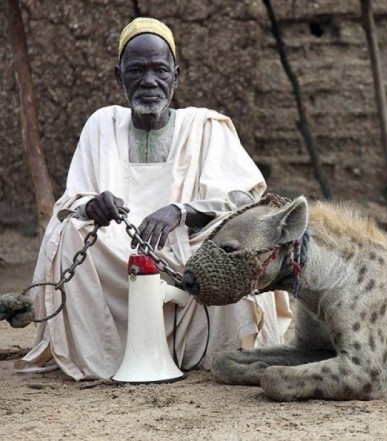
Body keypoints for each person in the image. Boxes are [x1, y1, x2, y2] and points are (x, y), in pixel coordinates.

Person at [15, 17, 292, 380]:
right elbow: (71, 203)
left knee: (233, 245)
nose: (149, 81)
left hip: (188, 249)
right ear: (119, 77)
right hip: (115, 251)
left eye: (160, 70)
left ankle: (215, 353)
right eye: (136, 70)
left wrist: (181, 211)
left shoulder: (205, 125)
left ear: (176, 76)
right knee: (68, 235)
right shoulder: (102, 124)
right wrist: (92, 207)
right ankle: (105, 354)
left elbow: (247, 199)